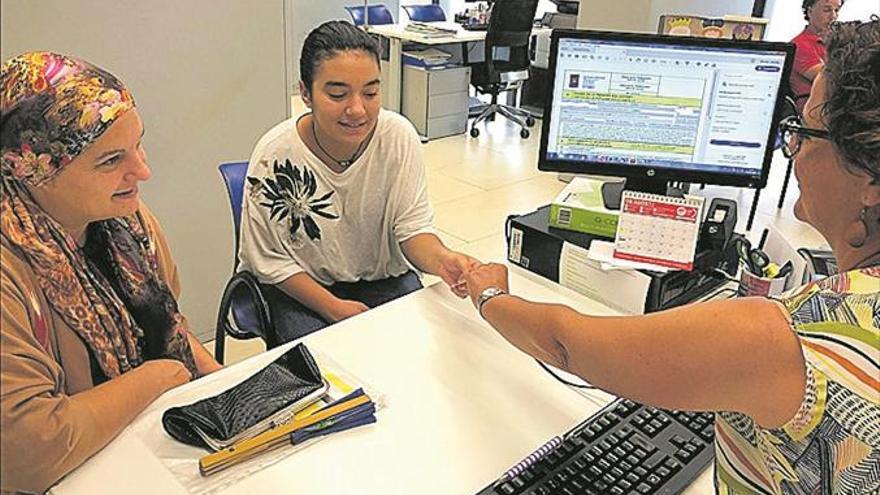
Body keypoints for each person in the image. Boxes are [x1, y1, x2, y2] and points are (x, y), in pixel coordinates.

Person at [464, 20, 879, 494]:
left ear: (868, 176)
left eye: (806, 131)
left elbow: (565, 344)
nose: (795, 150)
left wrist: (489, 293)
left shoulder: (786, 336)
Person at [0, 52, 222, 494]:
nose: (143, 170)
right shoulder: (11, 272)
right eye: (110, 160)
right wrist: (164, 375)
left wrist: (223, 383)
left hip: (139, 453)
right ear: (36, 171)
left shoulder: (129, 227)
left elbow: (170, 325)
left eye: (138, 144)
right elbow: (28, 450)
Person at [238, 20, 479, 342]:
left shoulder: (397, 137)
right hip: (302, 286)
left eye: (371, 92)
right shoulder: (275, 155)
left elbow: (412, 228)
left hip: (382, 279)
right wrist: (333, 307)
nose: (357, 110)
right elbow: (269, 260)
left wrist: (443, 259)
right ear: (306, 93)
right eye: (337, 94)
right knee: (329, 370)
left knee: (421, 351)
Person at [789, 0, 841, 113]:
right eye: (826, 10)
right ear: (809, 11)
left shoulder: (835, 42)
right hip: (814, 114)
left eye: (837, 10)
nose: (834, 16)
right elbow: (831, 80)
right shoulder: (800, 45)